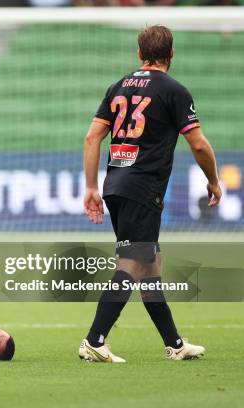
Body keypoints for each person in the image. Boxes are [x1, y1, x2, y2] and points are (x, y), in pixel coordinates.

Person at [80, 25, 221, 362]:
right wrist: (214, 180)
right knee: (133, 262)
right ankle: (94, 340)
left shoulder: (118, 87)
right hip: (143, 189)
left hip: (116, 187)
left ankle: (174, 343)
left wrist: (91, 187)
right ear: (171, 54)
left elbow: (91, 138)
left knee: (149, 263)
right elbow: (198, 144)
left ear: (139, 53)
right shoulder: (174, 90)